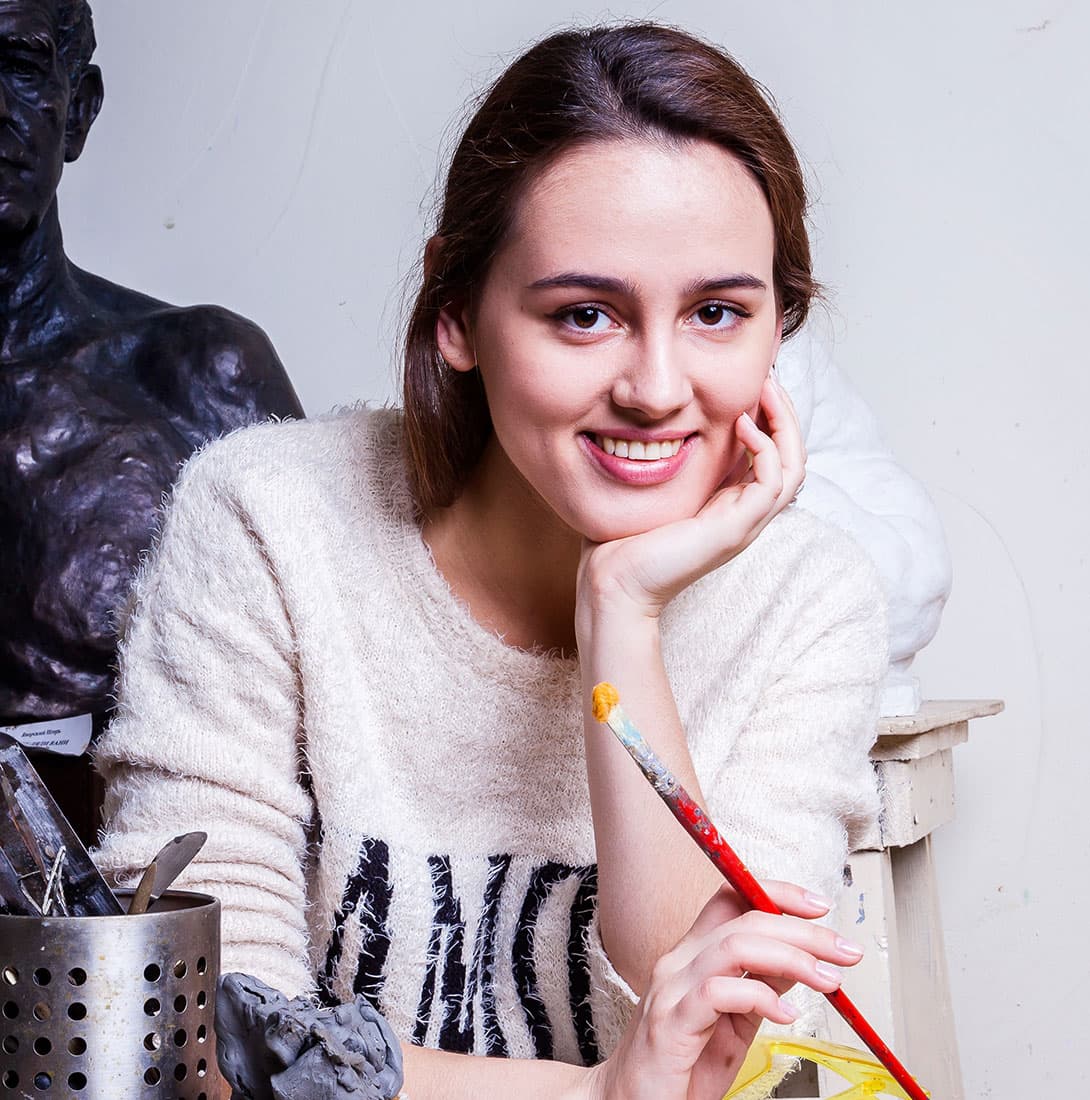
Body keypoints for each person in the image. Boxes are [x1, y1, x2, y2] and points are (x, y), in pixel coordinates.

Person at [94, 23, 888, 1100]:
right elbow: (210, 1039)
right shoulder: (269, 524)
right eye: (584, 314)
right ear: (456, 311)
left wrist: (622, 611)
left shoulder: (810, 599)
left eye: (716, 313)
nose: (657, 388)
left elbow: (710, 1055)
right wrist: (587, 1094)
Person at [0, 0, 302, 838]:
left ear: (78, 111)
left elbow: (340, 696)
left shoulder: (203, 374)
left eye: (19, 67)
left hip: (155, 888)